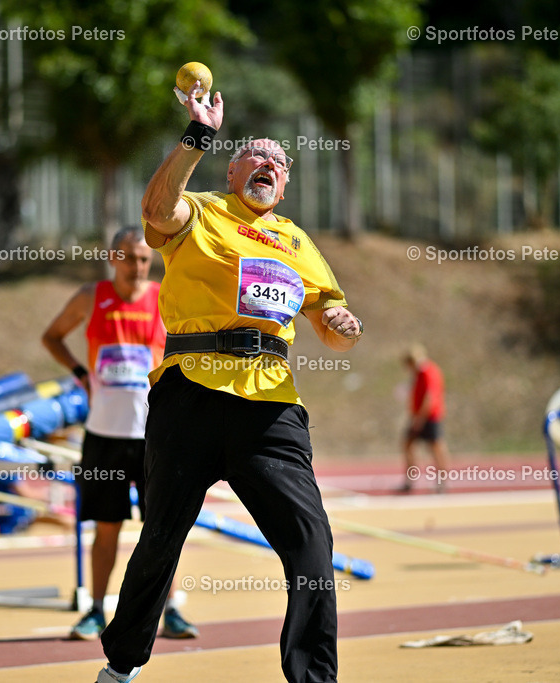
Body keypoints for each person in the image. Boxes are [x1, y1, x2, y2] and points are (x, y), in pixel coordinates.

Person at [95, 81, 362, 683]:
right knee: (161, 538)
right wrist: (196, 137)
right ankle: (120, 666)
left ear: (286, 183)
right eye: (256, 156)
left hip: (270, 409)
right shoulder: (205, 210)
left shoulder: (299, 242)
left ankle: (314, 680)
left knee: (312, 548)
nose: (268, 164)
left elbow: (331, 326)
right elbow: (157, 213)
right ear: (233, 168)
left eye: (279, 161)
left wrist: (343, 324)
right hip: (189, 391)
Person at [42, 227, 198, 641]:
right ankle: (96, 610)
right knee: (106, 527)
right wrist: (80, 374)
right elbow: (52, 336)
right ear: (113, 257)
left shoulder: (166, 296)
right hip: (104, 434)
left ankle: (172, 610)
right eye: (128, 257)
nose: (137, 266)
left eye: (145, 259)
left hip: (155, 435)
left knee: (163, 527)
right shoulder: (90, 297)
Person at [399, 344, 451, 494]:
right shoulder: (419, 374)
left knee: (436, 448)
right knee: (408, 445)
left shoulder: (428, 372)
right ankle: (409, 481)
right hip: (419, 416)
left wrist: (419, 419)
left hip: (430, 416)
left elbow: (430, 398)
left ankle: (442, 482)